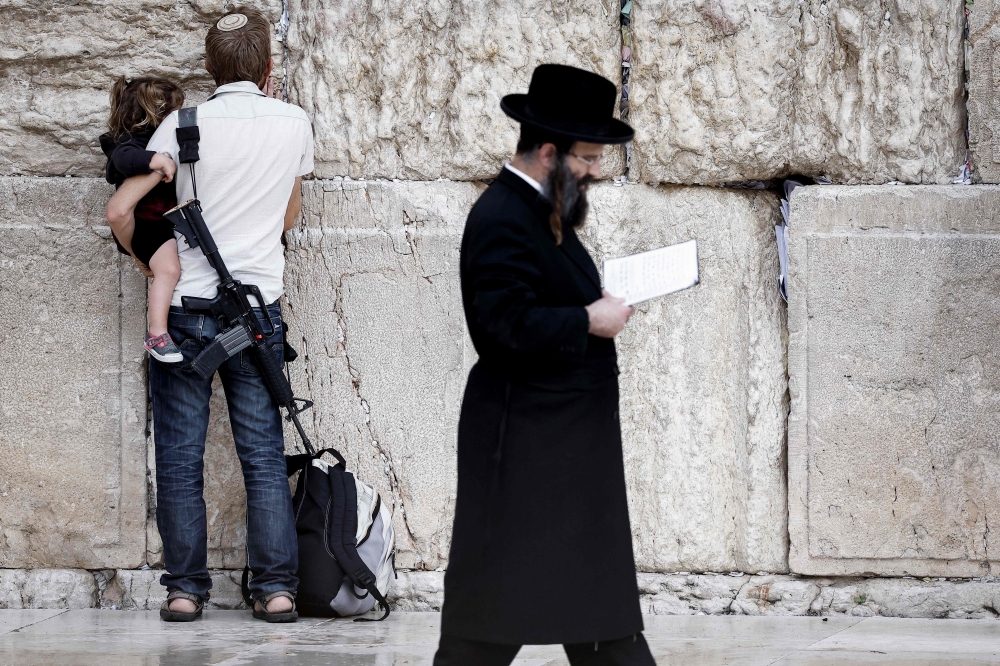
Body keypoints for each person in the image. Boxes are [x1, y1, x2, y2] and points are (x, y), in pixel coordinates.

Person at [434, 64, 655, 665]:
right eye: (588, 157)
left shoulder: (539, 210)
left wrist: (593, 302)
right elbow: (500, 327)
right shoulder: (504, 216)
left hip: (562, 448)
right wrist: (588, 319)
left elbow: (540, 297)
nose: (595, 171)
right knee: (487, 627)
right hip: (527, 450)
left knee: (597, 621)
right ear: (550, 151)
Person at [106, 7, 314, 623]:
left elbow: (124, 209)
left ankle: (185, 591)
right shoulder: (295, 122)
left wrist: (149, 265)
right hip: (255, 315)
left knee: (178, 457)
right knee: (261, 453)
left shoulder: (181, 124)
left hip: (189, 314)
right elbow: (288, 218)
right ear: (269, 66)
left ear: (207, 66)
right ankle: (276, 590)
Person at [100, 76, 185, 363]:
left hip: (161, 223)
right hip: (149, 226)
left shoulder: (148, 141)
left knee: (170, 268)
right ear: (156, 115)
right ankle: (157, 333)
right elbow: (122, 160)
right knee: (169, 270)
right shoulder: (127, 144)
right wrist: (154, 161)